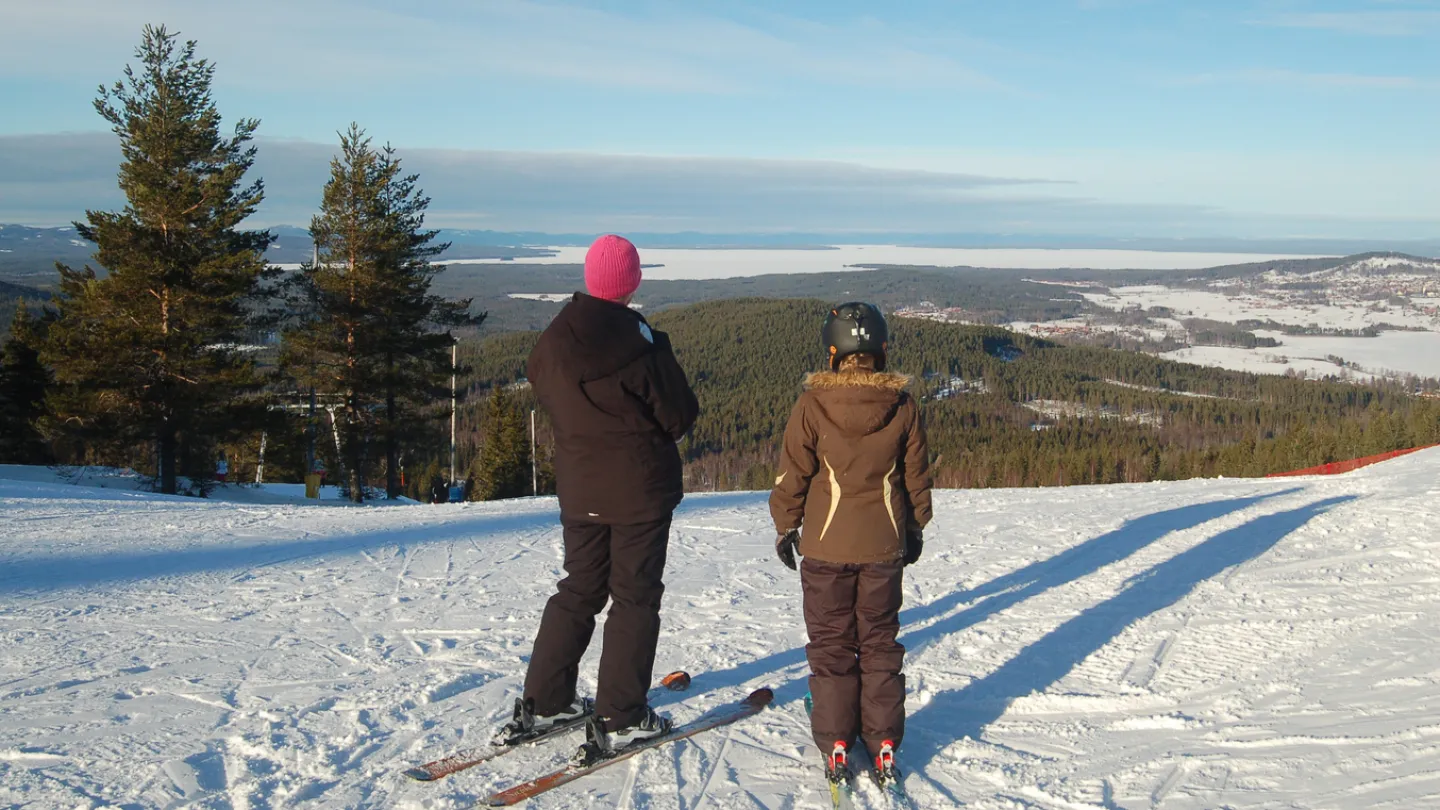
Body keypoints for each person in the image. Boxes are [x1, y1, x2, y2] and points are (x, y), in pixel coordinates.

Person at [499, 234, 699, 756]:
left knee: (580, 589)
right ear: (631, 282)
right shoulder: (639, 344)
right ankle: (622, 715)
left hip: (580, 487)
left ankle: (545, 702)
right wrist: (662, 350)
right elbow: (679, 417)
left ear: (590, 278)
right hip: (638, 492)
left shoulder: (556, 337)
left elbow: (541, 381)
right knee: (633, 596)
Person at [769, 301, 933, 785]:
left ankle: (837, 738)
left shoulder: (812, 405)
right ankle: (882, 741)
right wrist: (916, 525)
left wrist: (785, 525)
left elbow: (792, 474)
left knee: (832, 646)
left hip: (824, 549)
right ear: (880, 350)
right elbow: (916, 477)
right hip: (884, 548)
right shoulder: (902, 406)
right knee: (879, 643)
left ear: (833, 352)